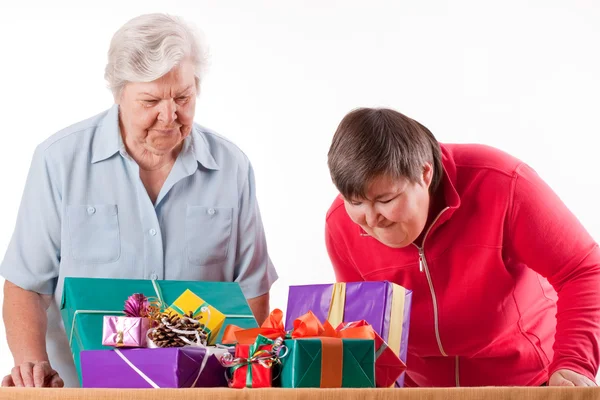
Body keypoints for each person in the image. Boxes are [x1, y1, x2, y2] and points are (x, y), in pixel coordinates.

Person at [0, 13, 277, 388]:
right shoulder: (58, 160)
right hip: (82, 390)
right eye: (150, 100)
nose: (169, 116)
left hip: (199, 389)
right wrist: (32, 363)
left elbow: (252, 292)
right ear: (119, 94)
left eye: (182, 97)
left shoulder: (232, 167)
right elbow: (27, 285)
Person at [325, 107, 600, 387]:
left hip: (529, 383)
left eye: (385, 200)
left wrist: (574, 363)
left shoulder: (503, 183)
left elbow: (583, 270)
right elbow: (365, 327)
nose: (371, 220)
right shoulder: (340, 223)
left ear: (425, 173)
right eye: (356, 202)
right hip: (421, 392)